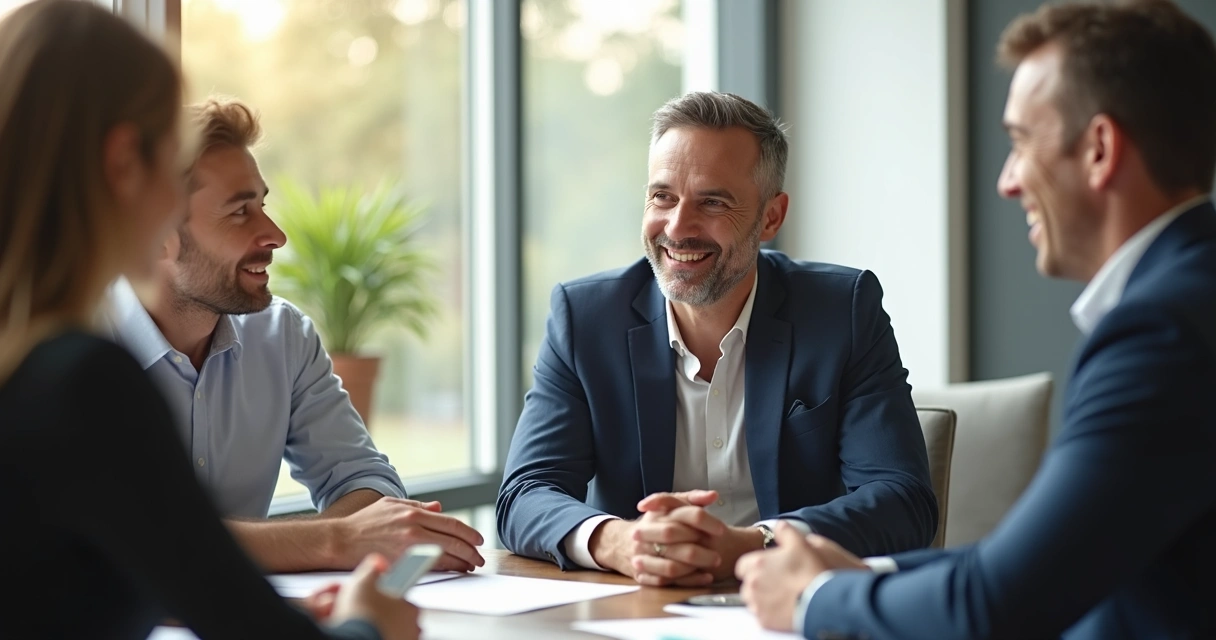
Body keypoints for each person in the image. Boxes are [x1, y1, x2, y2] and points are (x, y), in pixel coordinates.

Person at [736, 1, 1216, 638]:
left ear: (1100, 150)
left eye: (1020, 142)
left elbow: (997, 604)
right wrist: (864, 573)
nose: (1007, 181)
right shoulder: (1191, 295)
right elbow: (1039, 567)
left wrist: (813, 600)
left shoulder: (1163, 334)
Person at [0, 1, 418, 638]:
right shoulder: (82, 381)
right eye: (165, 155)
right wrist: (367, 624)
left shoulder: (36, 362)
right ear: (121, 162)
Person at [497, 91, 938, 587]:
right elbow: (525, 493)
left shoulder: (843, 311)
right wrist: (621, 542)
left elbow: (904, 501)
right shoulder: (585, 319)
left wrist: (755, 544)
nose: (678, 227)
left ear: (770, 217)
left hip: (793, 609)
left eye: (713, 201)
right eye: (662, 196)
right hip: (634, 609)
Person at [105, 97, 485, 574]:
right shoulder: (71, 352)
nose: (275, 234)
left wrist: (340, 537)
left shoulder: (280, 335)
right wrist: (334, 539)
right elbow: (134, 540)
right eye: (240, 213)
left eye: (262, 204)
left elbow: (369, 485)